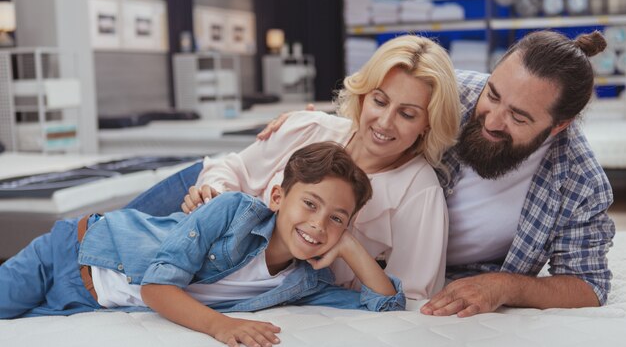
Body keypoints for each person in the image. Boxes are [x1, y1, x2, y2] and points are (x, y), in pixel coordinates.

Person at [258, 30, 616, 317]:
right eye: (493, 94)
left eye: (519, 117)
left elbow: (588, 285)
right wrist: (309, 124)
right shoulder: (451, 92)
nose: (492, 120)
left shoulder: (579, 182)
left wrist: (505, 286)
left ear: (558, 125)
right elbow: (377, 107)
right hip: (365, 244)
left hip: (441, 277)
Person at [126, 35, 462, 301]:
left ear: (428, 125)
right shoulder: (311, 128)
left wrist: (348, 256)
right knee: (88, 244)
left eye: (407, 114)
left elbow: (412, 296)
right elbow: (234, 169)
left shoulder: (420, 193)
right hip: (193, 199)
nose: (385, 122)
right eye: (379, 100)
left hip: (245, 278)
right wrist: (215, 199)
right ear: (362, 95)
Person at [0, 143, 406, 347]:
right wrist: (221, 325)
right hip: (73, 252)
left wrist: (350, 245)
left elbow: (385, 303)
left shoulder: (308, 280)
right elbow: (156, 288)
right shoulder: (234, 212)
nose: (318, 225)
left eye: (336, 217)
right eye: (310, 204)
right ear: (279, 197)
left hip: (88, 301)